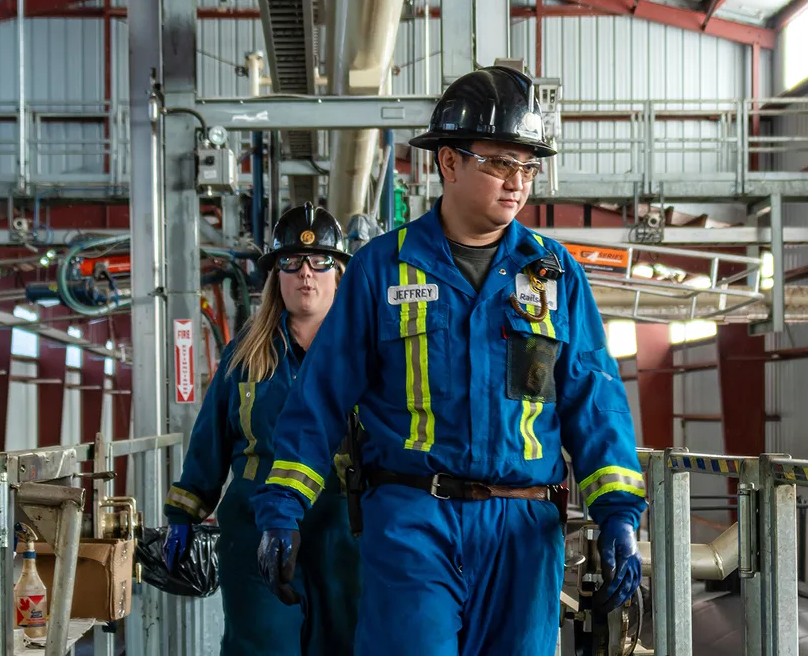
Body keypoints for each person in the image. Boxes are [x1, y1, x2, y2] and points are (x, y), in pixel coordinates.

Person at [252, 66, 646, 656]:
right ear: (449, 163)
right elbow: (321, 399)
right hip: (413, 519)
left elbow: (593, 396)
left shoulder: (554, 275)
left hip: (524, 529)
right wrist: (282, 508)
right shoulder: (381, 270)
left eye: (527, 166)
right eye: (498, 163)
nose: (516, 183)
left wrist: (618, 511)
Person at [162, 203, 360, 656]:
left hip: (343, 527)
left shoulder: (366, 358)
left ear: (339, 273)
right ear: (276, 276)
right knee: (262, 646)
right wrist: (183, 516)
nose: (305, 273)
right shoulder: (246, 356)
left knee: (346, 644)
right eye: (290, 262)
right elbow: (209, 442)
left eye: (319, 262)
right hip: (255, 527)